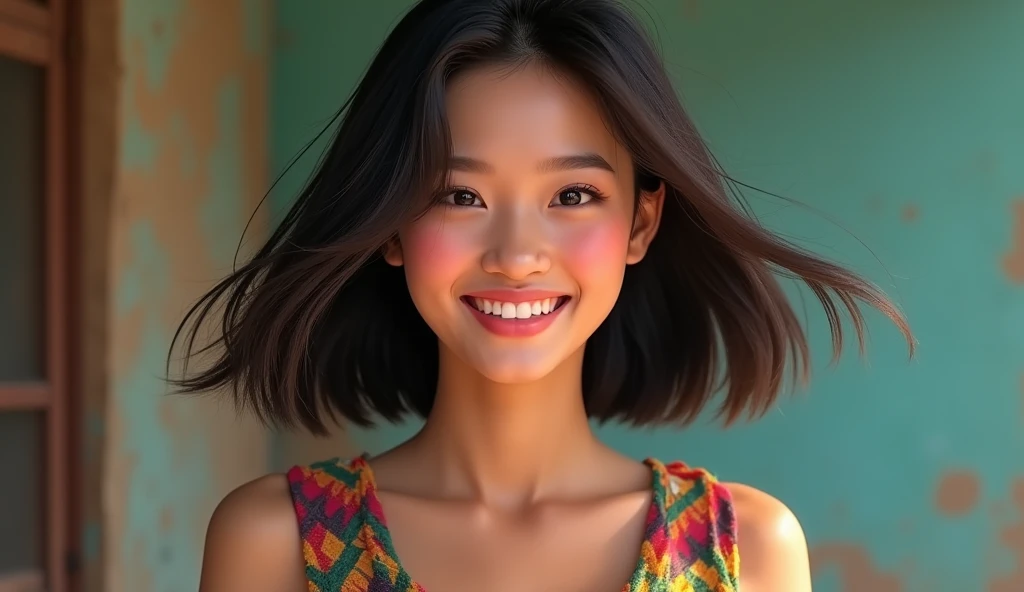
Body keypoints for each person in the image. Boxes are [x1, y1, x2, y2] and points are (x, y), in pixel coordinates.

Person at [173, 0, 913, 590]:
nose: (518, 256)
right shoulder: (275, 542)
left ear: (640, 221)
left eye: (573, 194)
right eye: (459, 195)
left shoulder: (747, 549)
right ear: (390, 223)